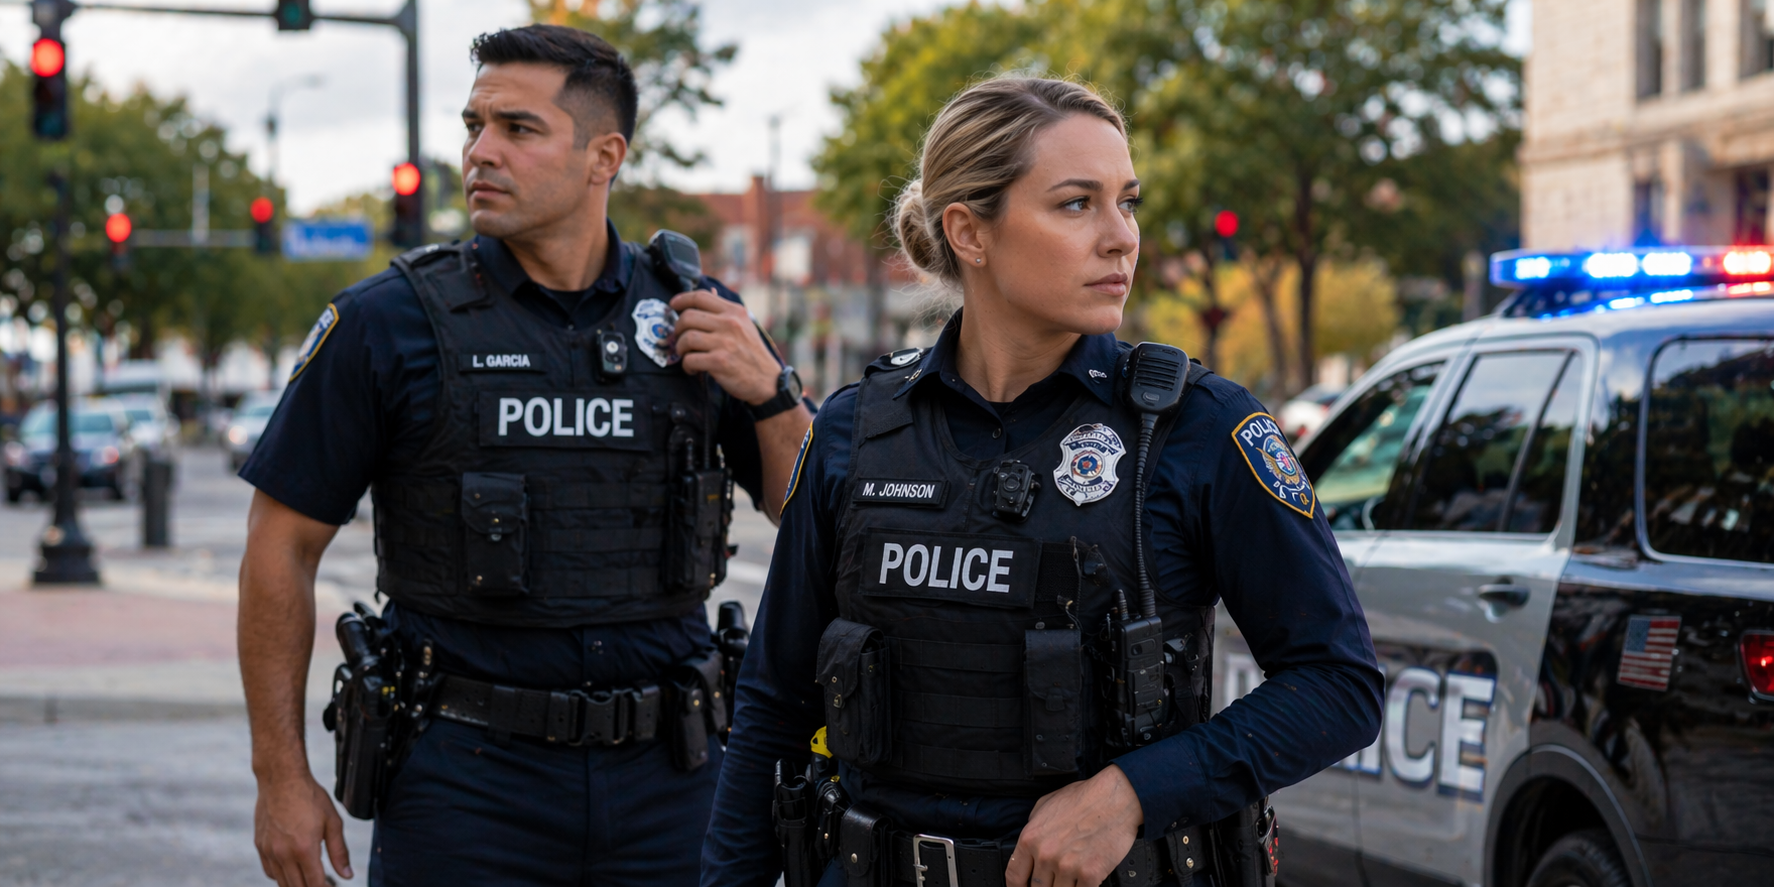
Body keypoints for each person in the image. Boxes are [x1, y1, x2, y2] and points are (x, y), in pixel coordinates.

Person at [700, 76, 1382, 887]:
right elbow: (776, 704)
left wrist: (1136, 790)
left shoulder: (1199, 427)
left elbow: (1338, 685)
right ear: (969, 233)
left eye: (1127, 202)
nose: (1121, 237)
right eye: (1076, 204)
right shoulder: (855, 430)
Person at [238, 25, 812, 887]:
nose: (479, 152)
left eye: (518, 128)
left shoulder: (699, 312)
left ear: (602, 156)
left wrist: (770, 390)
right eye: (474, 125)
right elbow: (280, 548)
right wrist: (280, 776)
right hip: (467, 786)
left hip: (673, 779)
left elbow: (813, 516)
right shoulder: (388, 324)